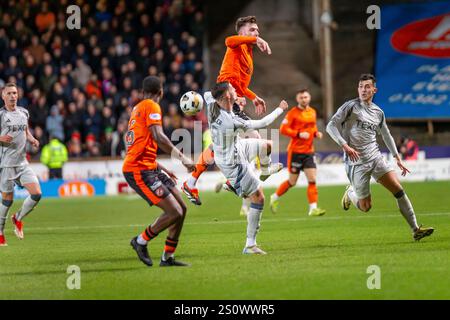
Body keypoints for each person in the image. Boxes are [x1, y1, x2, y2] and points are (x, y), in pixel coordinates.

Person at [325, 74, 434, 241]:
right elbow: (330, 125)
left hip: (375, 157)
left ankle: (415, 229)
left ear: (374, 90)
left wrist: (397, 157)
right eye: (361, 86)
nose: (363, 90)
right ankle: (350, 193)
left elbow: (386, 134)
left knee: (398, 191)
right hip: (357, 162)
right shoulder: (350, 107)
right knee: (365, 207)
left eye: (367, 87)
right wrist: (344, 145)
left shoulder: (378, 112)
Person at [182, 15, 272, 215]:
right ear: (242, 33)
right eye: (252, 30)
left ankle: (194, 182)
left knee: (226, 144)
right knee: (250, 140)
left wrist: (253, 97)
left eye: (257, 31)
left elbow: (240, 85)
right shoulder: (237, 45)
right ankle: (217, 181)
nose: (256, 33)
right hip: (221, 97)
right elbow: (228, 41)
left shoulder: (248, 54)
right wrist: (255, 40)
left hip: (231, 99)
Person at [123, 76, 195, 267]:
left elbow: (141, 144)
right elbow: (159, 136)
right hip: (139, 170)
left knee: (182, 209)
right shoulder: (152, 106)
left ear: (142, 90)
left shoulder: (137, 108)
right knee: (174, 212)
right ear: (161, 92)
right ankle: (140, 241)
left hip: (150, 167)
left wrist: (161, 167)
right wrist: (183, 158)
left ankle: (167, 257)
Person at [207, 82, 287, 254]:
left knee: (266, 145)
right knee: (258, 198)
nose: (236, 90)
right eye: (232, 89)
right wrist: (280, 109)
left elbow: (205, 95)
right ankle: (250, 245)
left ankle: (264, 170)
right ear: (228, 96)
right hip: (232, 162)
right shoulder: (231, 121)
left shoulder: (210, 102)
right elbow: (263, 122)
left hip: (236, 146)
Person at [270, 89, 326, 216]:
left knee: (312, 180)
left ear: (309, 98)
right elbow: (283, 129)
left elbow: (312, 127)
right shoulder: (292, 113)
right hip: (295, 152)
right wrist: (299, 134)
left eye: (306, 97)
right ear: (297, 99)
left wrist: (316, 133)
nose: (304, 99)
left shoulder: (312, 112)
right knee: (292, 182)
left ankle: (313, 208)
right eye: (301, 98)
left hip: (309, 152)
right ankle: (275, 196)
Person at [0, 83, 42, 246]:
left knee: (37, 193)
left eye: (15, 93)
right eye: (9, 93)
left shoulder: (24, 112)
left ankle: (17, 218)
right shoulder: (1, 115)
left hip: (22, 162)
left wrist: (31, 139)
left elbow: (25, 131)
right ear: (3, 96)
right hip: (6, 165)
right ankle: (1, 232)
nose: (12, 96)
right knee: (7, 201)